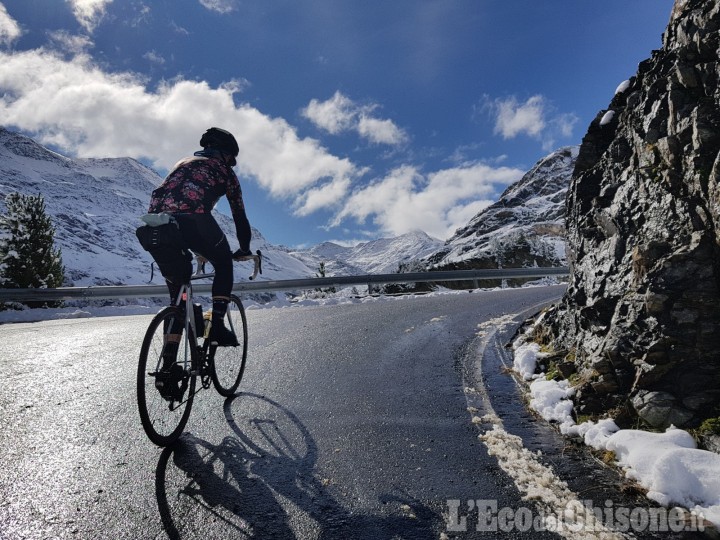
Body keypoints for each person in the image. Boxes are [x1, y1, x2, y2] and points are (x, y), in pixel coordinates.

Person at [147, 127, 252, 347]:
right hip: (194, 221)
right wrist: (244, 248)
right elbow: (239, 216)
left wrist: (198, 249)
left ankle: (168, 368)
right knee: (223, 264)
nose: (231, 163)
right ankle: (217, 326)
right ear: (225, 154)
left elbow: (174, 213)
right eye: (232, 159)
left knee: (178, 301)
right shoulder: (224, 171)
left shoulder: (182, 163)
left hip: (156, 226)